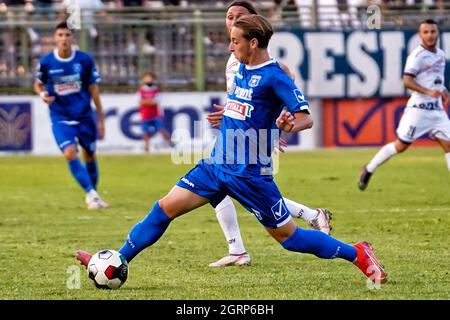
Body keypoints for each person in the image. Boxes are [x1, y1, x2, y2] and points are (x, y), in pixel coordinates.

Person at [77, 14, 387, 285]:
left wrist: (289, 124)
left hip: (249, 174)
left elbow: (306, 117)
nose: (230, 47)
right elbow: (248, 109)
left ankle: (358, 253)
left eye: (235, 41)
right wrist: (228, 113)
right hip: (216, 166)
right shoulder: (241, 68)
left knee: (290, 239)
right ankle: (116, 260)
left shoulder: (275, 76)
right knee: (163, 209)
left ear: (253, 42)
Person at [206, 0, 332, 268]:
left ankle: (307, 216)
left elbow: (285, 85)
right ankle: (239, 249)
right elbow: (243, 100)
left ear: (253, 24)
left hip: (254, 137)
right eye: (229, 16)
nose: (232, 21)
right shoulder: (234, 58)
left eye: (239, 17)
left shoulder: (263, 63)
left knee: (240, 187)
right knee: (224, 185)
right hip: (238, 133)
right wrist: (229, 112)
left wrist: (276, 127)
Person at [359, 19, 450, 191]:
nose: (430, 35)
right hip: (418, 111)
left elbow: (435, 79)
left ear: (438, 33)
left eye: (433, 31)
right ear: (420, 35)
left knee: (449, 145)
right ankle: (369, 168)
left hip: (437, 111)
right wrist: (428, 92)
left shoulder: (440, 54)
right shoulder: (416, 57)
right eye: (426, 32)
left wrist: (442, 89)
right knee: (400, 146)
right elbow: (407, 81)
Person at [34, 21, 109, 210]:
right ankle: (91, 194)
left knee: (90, 155)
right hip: (60, 117)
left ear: (72, 38)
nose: (64, 39)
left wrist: (100, 119)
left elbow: (94, 90)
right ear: (54, 38)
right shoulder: (46, 62)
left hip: (84, 116)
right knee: (69, 153)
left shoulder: (84, 60)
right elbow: (37, 84)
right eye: (60, 35)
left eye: (67, 35)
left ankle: (94, 194)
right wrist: (42, 94)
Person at [138, 71, 175, 153]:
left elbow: (155, 101)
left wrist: (146, 102)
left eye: (150, 78)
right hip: (145, 115)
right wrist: (149, 102)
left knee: (161, 129)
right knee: (145, 132)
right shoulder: (141, 91)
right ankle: (146, 148)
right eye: (146, 78)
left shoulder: (155, 90)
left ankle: (171, 143)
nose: (148, 80)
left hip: (155, 115)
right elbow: (140, 102)